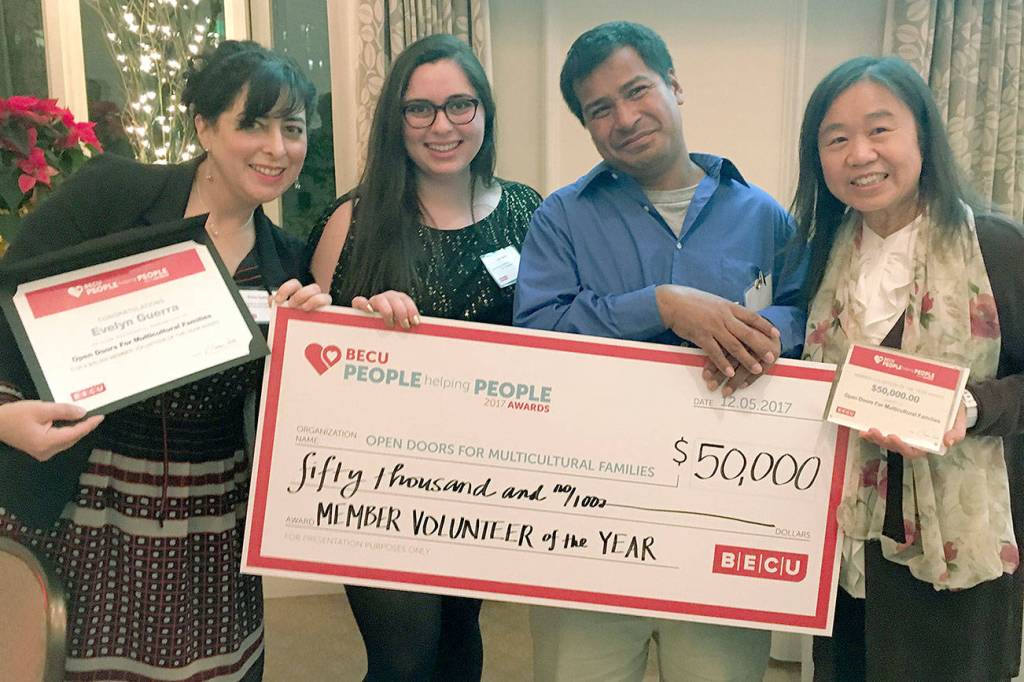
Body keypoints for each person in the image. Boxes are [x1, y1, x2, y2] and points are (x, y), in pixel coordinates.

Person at [0, 40, 329, 681]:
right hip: (82, 499)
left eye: (292, 129)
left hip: (212, 520)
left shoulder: (289, 260)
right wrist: (4, 414)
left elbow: (290, 413)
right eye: (253, 124)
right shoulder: (114, 194)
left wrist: (315, 341)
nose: (277, 148)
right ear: (204, 126)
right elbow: (7, 299)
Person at [513, 21, 805, 682]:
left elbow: (810, 312)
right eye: (599, 109)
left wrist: (761, 331)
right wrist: (662, 304)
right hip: (585, 528)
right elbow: (538, 334)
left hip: (721, 528)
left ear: (674, 85)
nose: (624, 118)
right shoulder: (561, 218)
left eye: (637, 90)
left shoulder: (763, 216)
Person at [306, 34, 541, 681]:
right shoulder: (352, 221)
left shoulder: (529, 212)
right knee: (404, 661)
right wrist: (362, 332)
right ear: (396, 119)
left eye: (460, 105)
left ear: (484, 111)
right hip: (375, 484)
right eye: (420, 109)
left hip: (486, 480)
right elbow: (309, 369)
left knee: (461, 641)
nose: (443, 126)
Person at [795, 55, 1024, 681]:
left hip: (958, 553)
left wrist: (971, 406)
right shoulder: (818, 255)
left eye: (879, 129)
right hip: (847, 546)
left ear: (922, 134)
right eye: (836, 139)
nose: (860, 154)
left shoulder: (996, 247)